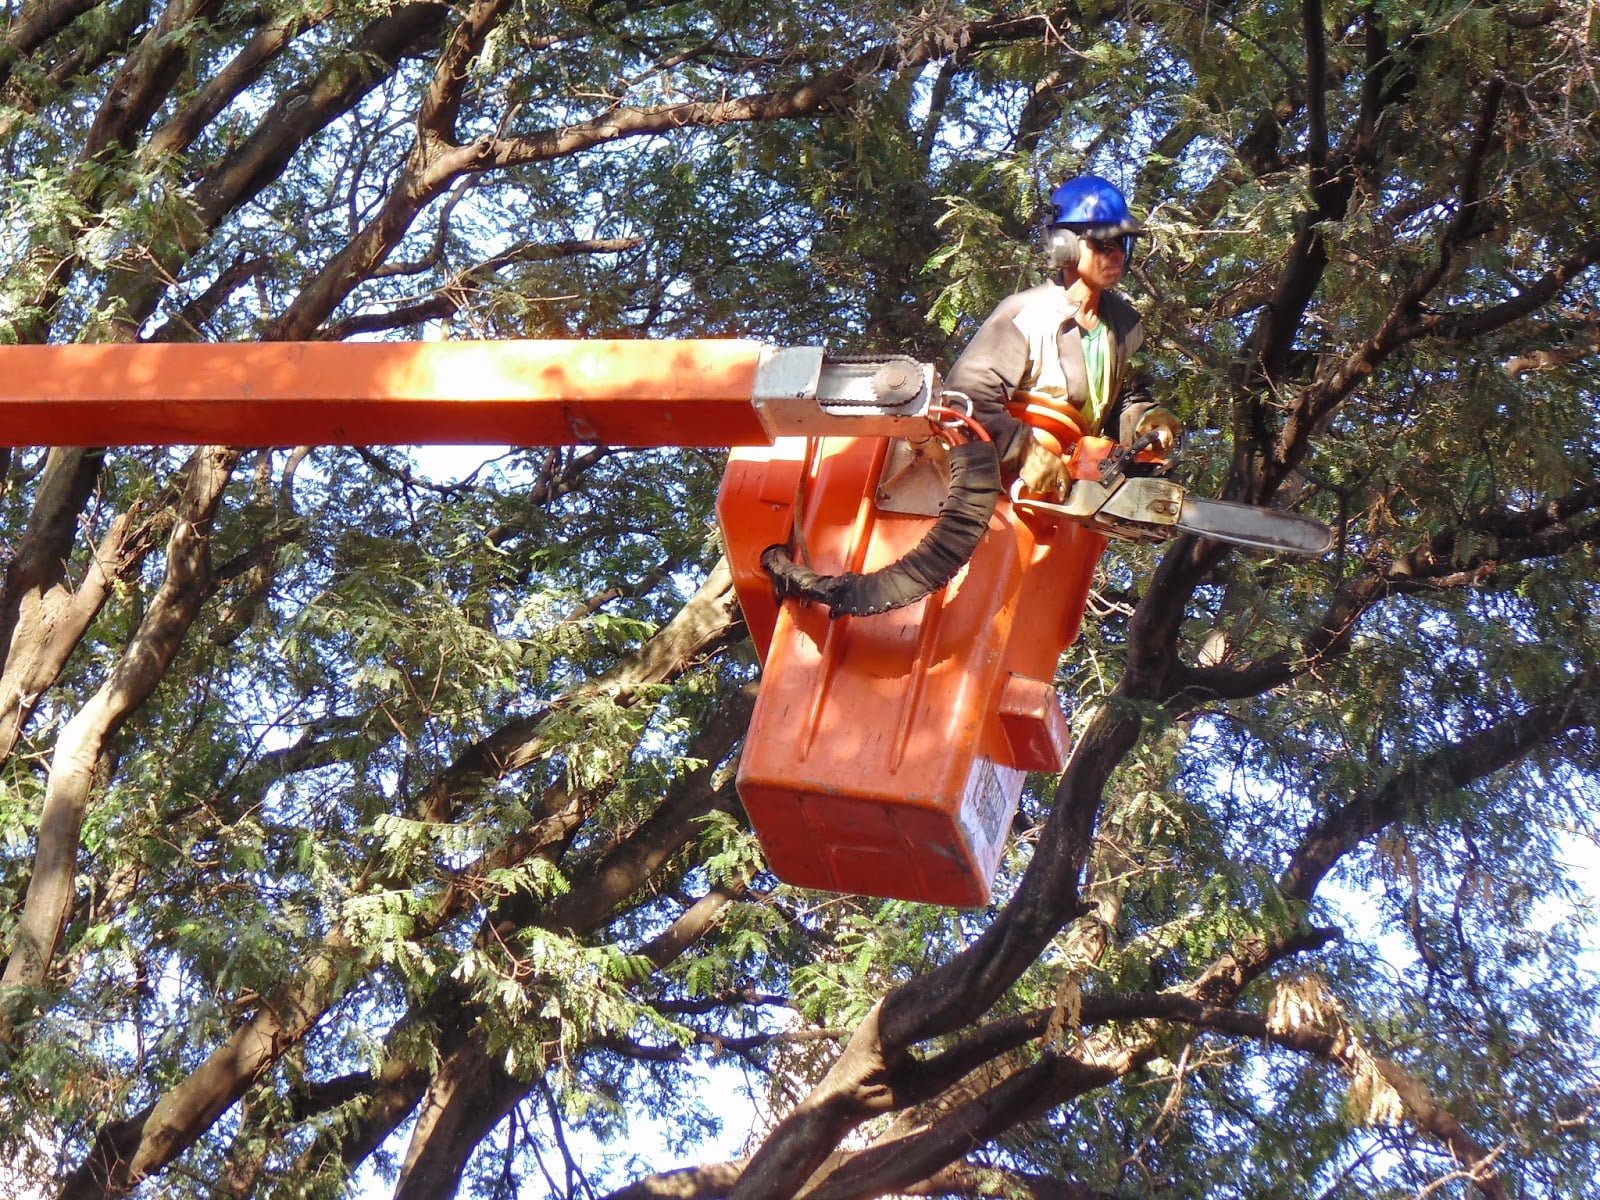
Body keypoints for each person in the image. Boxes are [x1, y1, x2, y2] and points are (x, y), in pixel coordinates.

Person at [943, 174, 1178, 499]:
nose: (1117, 255)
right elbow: (963, 399)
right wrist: (1023, 451)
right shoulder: (1027, 315)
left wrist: (1149, 421)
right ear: (1064, 246)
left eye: (1122, 243)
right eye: (1104, 243)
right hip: (1001, 489)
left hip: (1074, 488)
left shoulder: (1125, 327)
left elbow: (1128, 400)